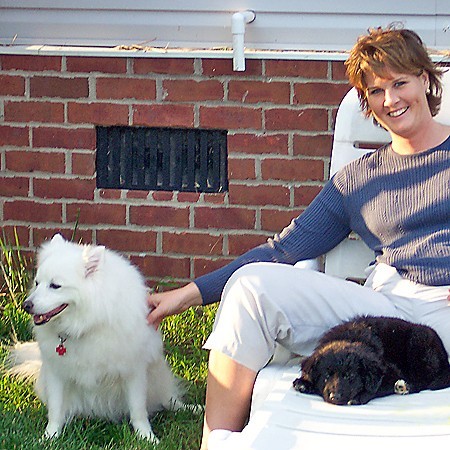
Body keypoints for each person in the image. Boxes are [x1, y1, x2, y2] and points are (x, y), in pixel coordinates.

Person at [147, 25, 450, 449]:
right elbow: (283, 250)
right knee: (252, 287)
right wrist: (184, 295)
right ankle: (217, 442)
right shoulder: (357, 181)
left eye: (400, 83)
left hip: (445, 314)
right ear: (366, 102)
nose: (391, 100)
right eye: (376, 91)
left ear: (425, 80)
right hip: (384, 312)